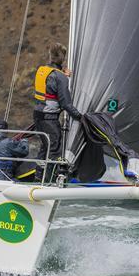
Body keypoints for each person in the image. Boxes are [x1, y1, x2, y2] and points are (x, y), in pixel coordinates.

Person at [33, 42, 82, 181]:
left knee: (45, 146)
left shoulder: (41, 70)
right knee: (54, 149)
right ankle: (49, 180)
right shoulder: (60, 77)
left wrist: (63, 75)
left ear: (50, 56)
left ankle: (38, 176)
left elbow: (50, 84)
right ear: (63, 58)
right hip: (49, 118)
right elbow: (66, 104)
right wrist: (80, 116)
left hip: (37, 116)